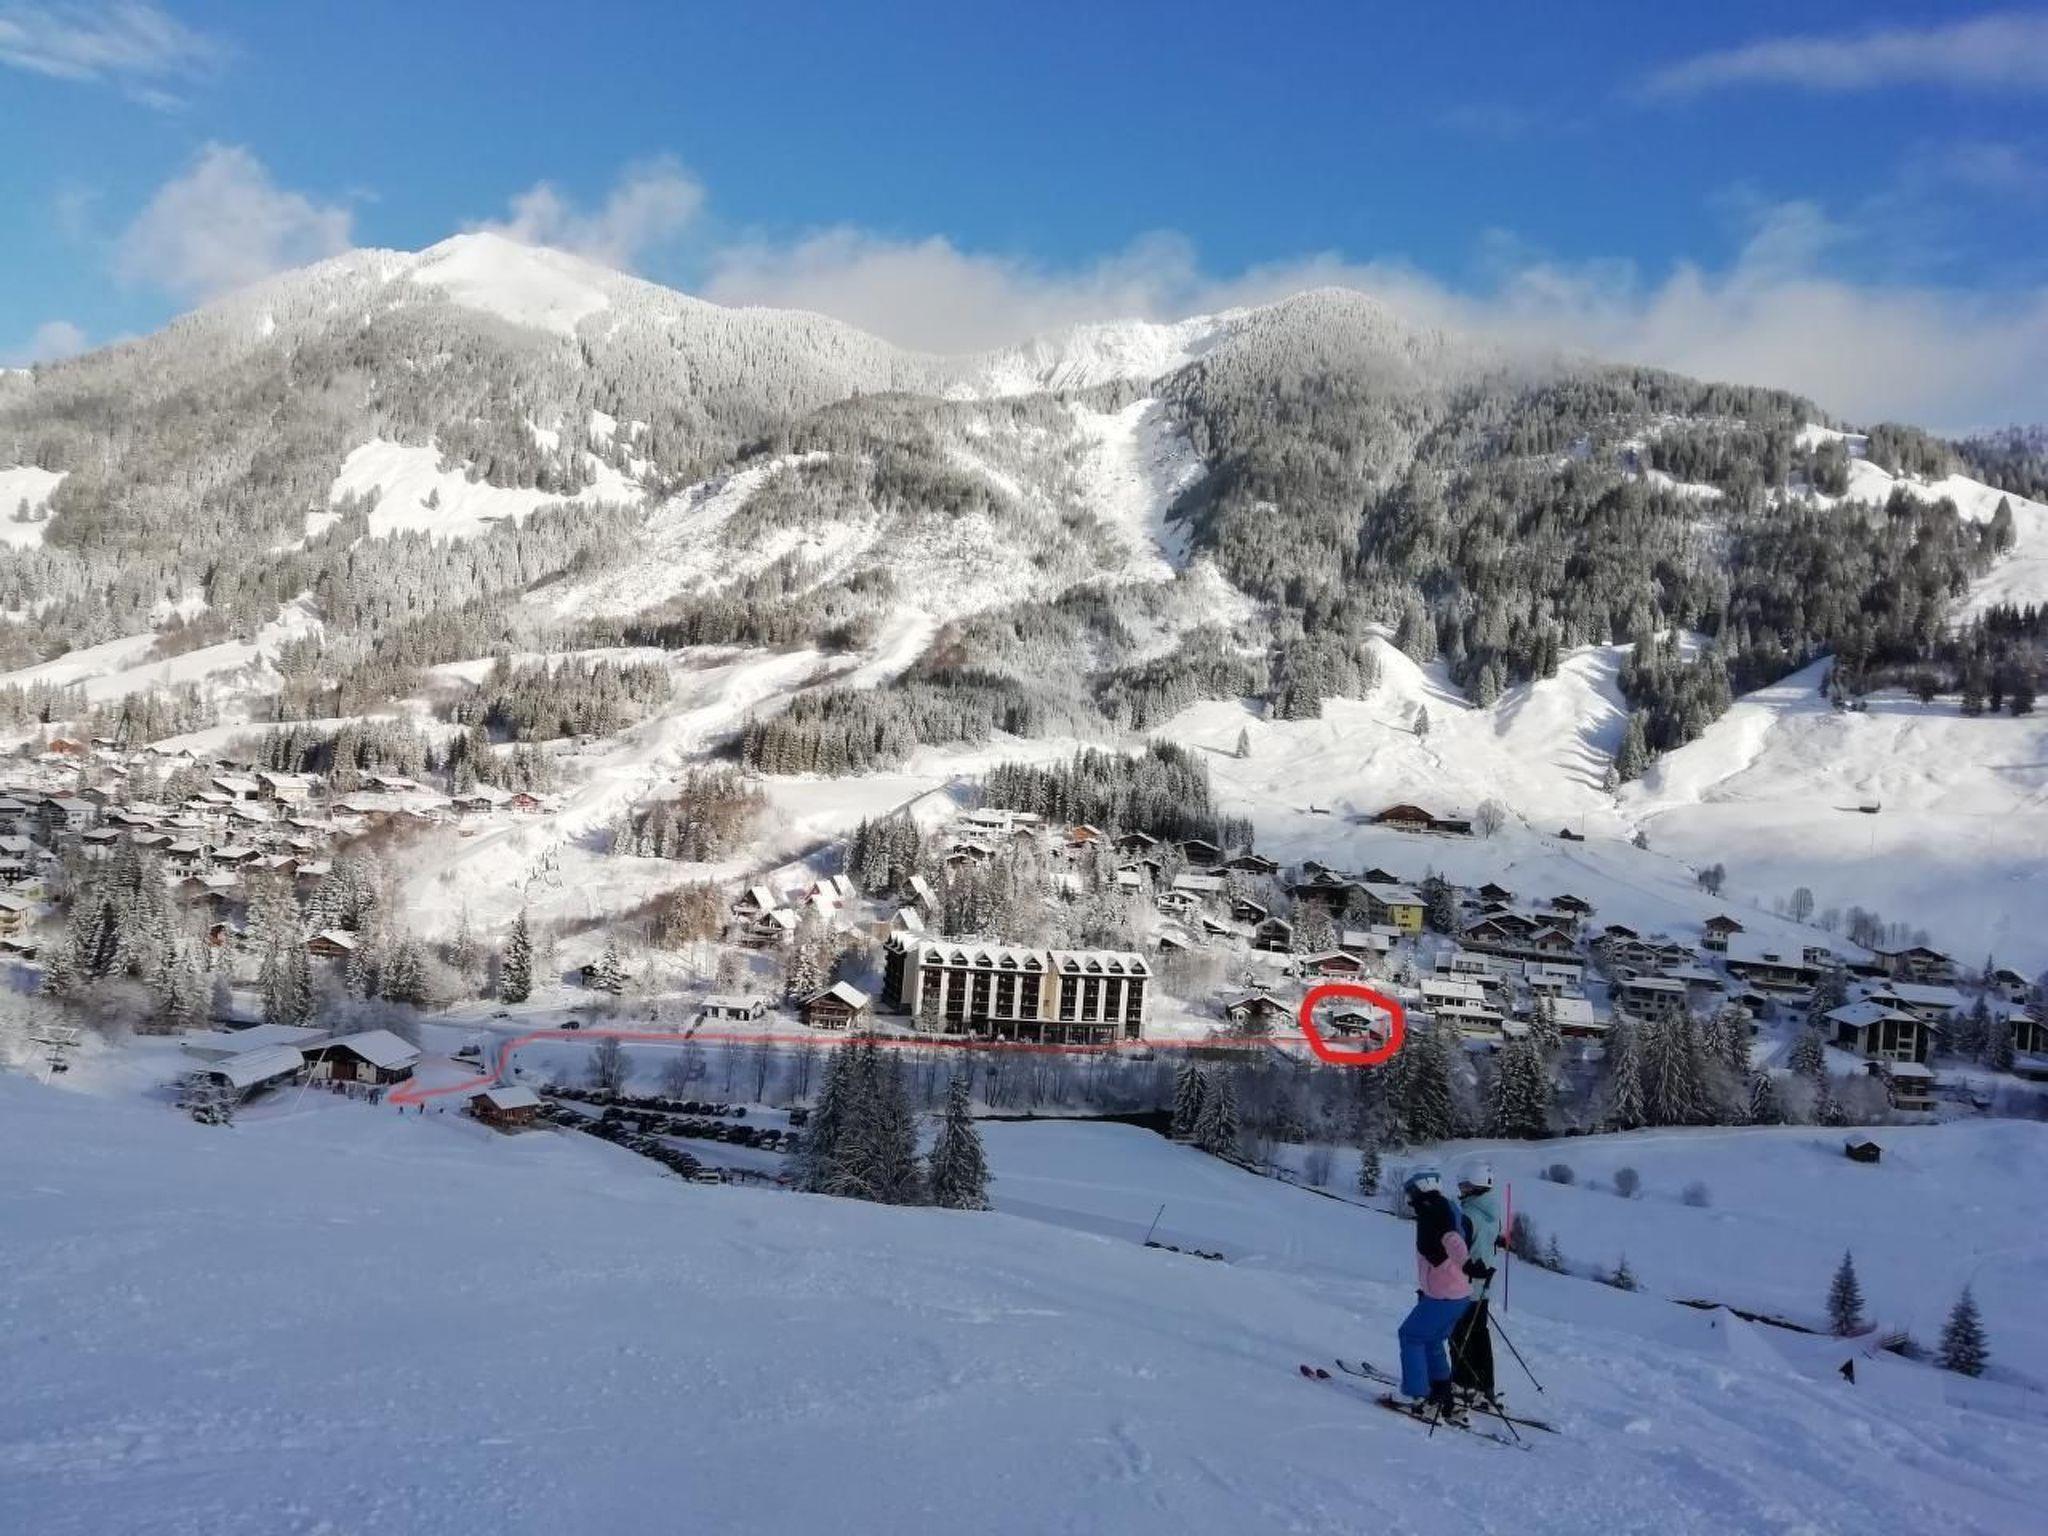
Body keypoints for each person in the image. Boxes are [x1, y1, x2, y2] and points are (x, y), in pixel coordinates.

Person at [1395, 1167, 1473, 1422]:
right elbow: (1463, 1231)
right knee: (1431, 1340)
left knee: (1410, 1335)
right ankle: (1441, 1395)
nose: (1409, 1196)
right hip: (1456, 1293)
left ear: (1423, 1187)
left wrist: (1467, 1263)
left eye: (1411, 1190)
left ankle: (1418, 1397)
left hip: (1444, 1293)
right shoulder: (1447, 1206)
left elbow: (1452, 1239)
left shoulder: (1432, 1210)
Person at [1449, 1160, 1504, 1407]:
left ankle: (1464, 1385)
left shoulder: (1468, 1216)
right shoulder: (1492, 1214)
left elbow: (1457, 1252)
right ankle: (1484, 1384)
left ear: (1476, 1186)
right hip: (1482, 1288)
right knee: (1480, 1334)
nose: (1461, 1190)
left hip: (1464, 1287)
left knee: (1460, 1335)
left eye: (1464, 1185)